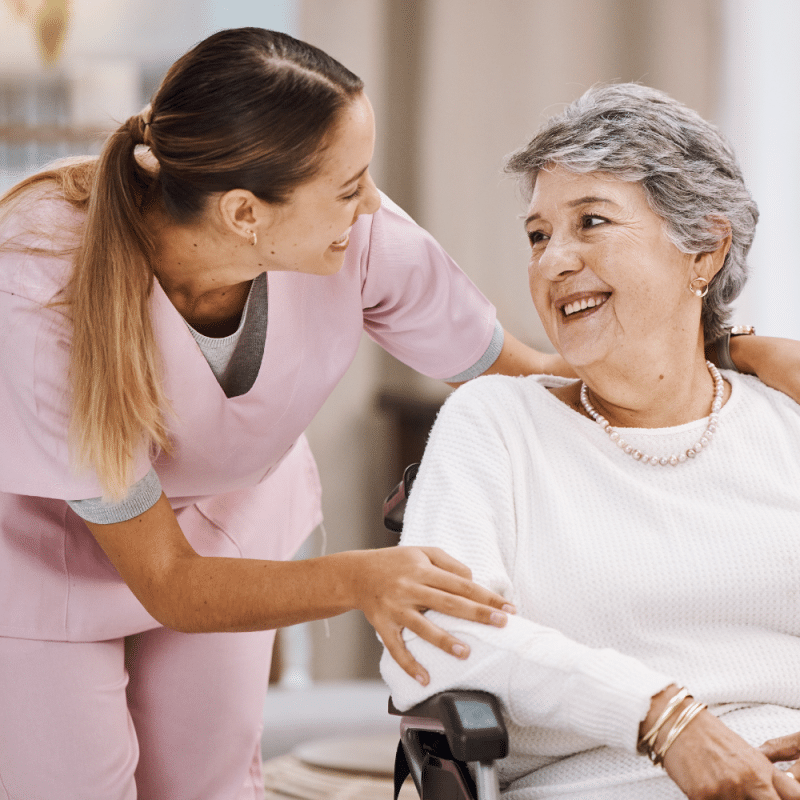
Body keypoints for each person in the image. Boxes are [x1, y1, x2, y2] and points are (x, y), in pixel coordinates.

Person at [381, 83, 800, 800]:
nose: (553, 262)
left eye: (591, 222)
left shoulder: (782, 421)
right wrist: (658, 716)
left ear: (705, 249)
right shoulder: (495, 423)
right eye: (539, 236)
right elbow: (435, 639)